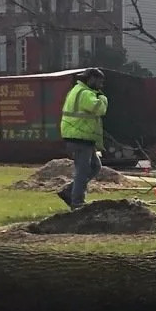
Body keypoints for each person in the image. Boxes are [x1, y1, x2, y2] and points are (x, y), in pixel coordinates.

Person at [57, 67, 108, 210]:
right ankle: (77, 202)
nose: (101, 85)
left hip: (78, 135)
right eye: (99, 81)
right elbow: (99, 109)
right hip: (80, 136)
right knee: (83, 170)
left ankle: (70, 191)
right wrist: (103, 98)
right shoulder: (85, 93)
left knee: (95, 167)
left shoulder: (76, 90)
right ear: (91, 79)